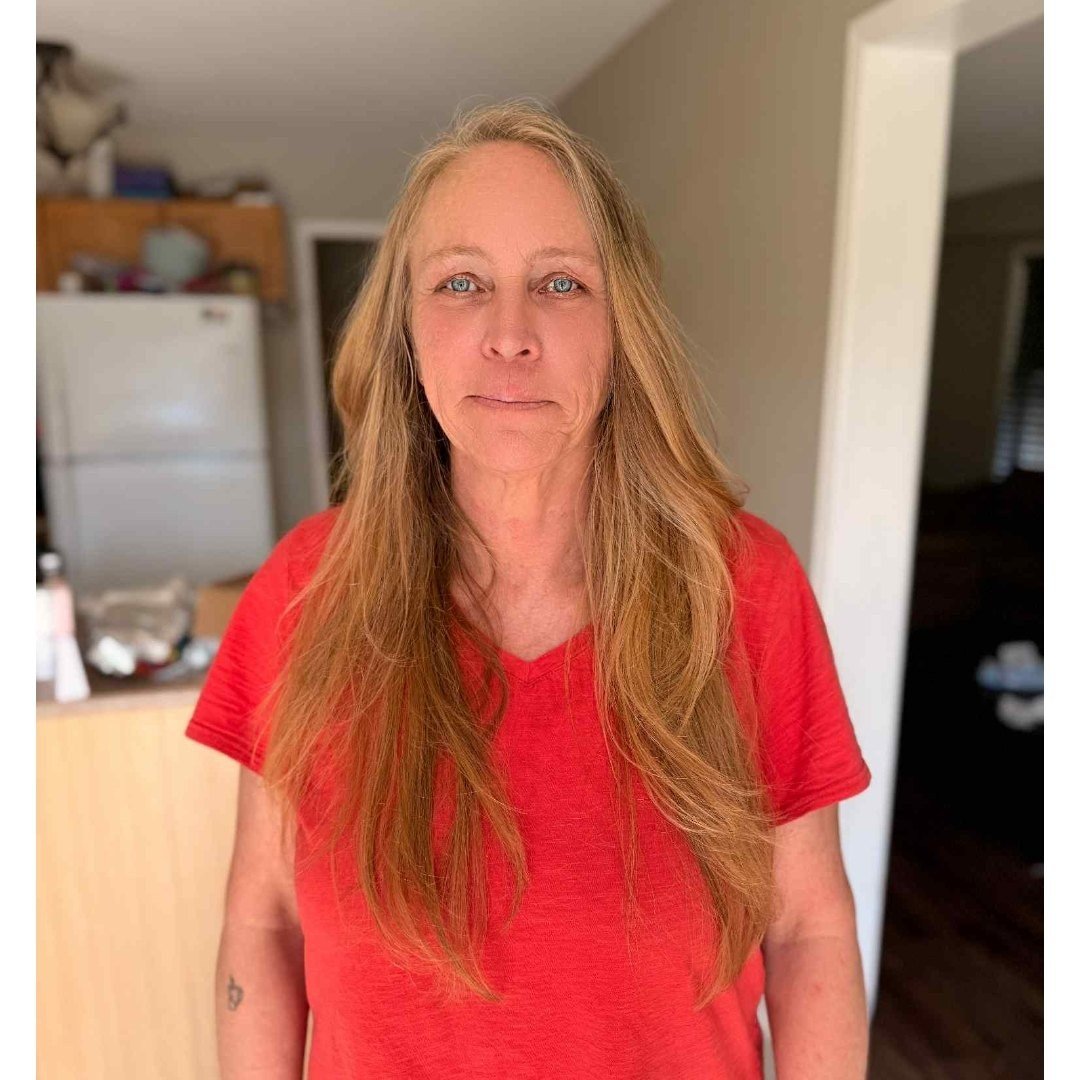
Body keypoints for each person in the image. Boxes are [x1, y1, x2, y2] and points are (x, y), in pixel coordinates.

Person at [186, 99, 872, 1080]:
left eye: (561, 282)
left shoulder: (745, 588)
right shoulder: (305, 592)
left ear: (622, 324)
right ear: (407, 334)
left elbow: (808, 925)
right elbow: (264, 915)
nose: (510, 334)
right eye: (461, 282)